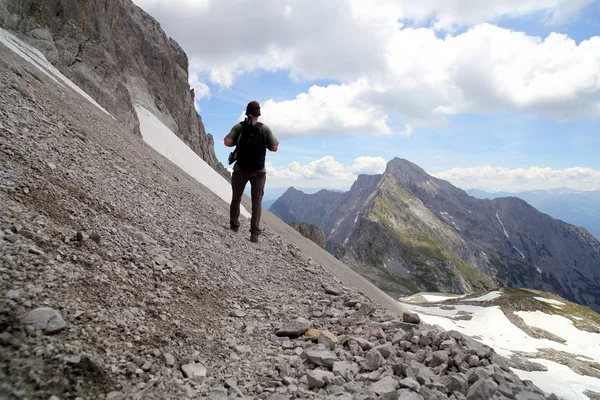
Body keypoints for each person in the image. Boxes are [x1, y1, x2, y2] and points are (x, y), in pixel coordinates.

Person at [224, 101, 279, 243]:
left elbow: (227, 142)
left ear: (247, 113)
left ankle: (234, 226)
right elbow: (274, 147)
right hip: (259, 172)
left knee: (236, 198)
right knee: (257, 202)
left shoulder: (239, 127)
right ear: (258, 115)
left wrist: (239, 141)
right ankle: (254, 234)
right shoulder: (264, 129)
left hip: (240, 169)